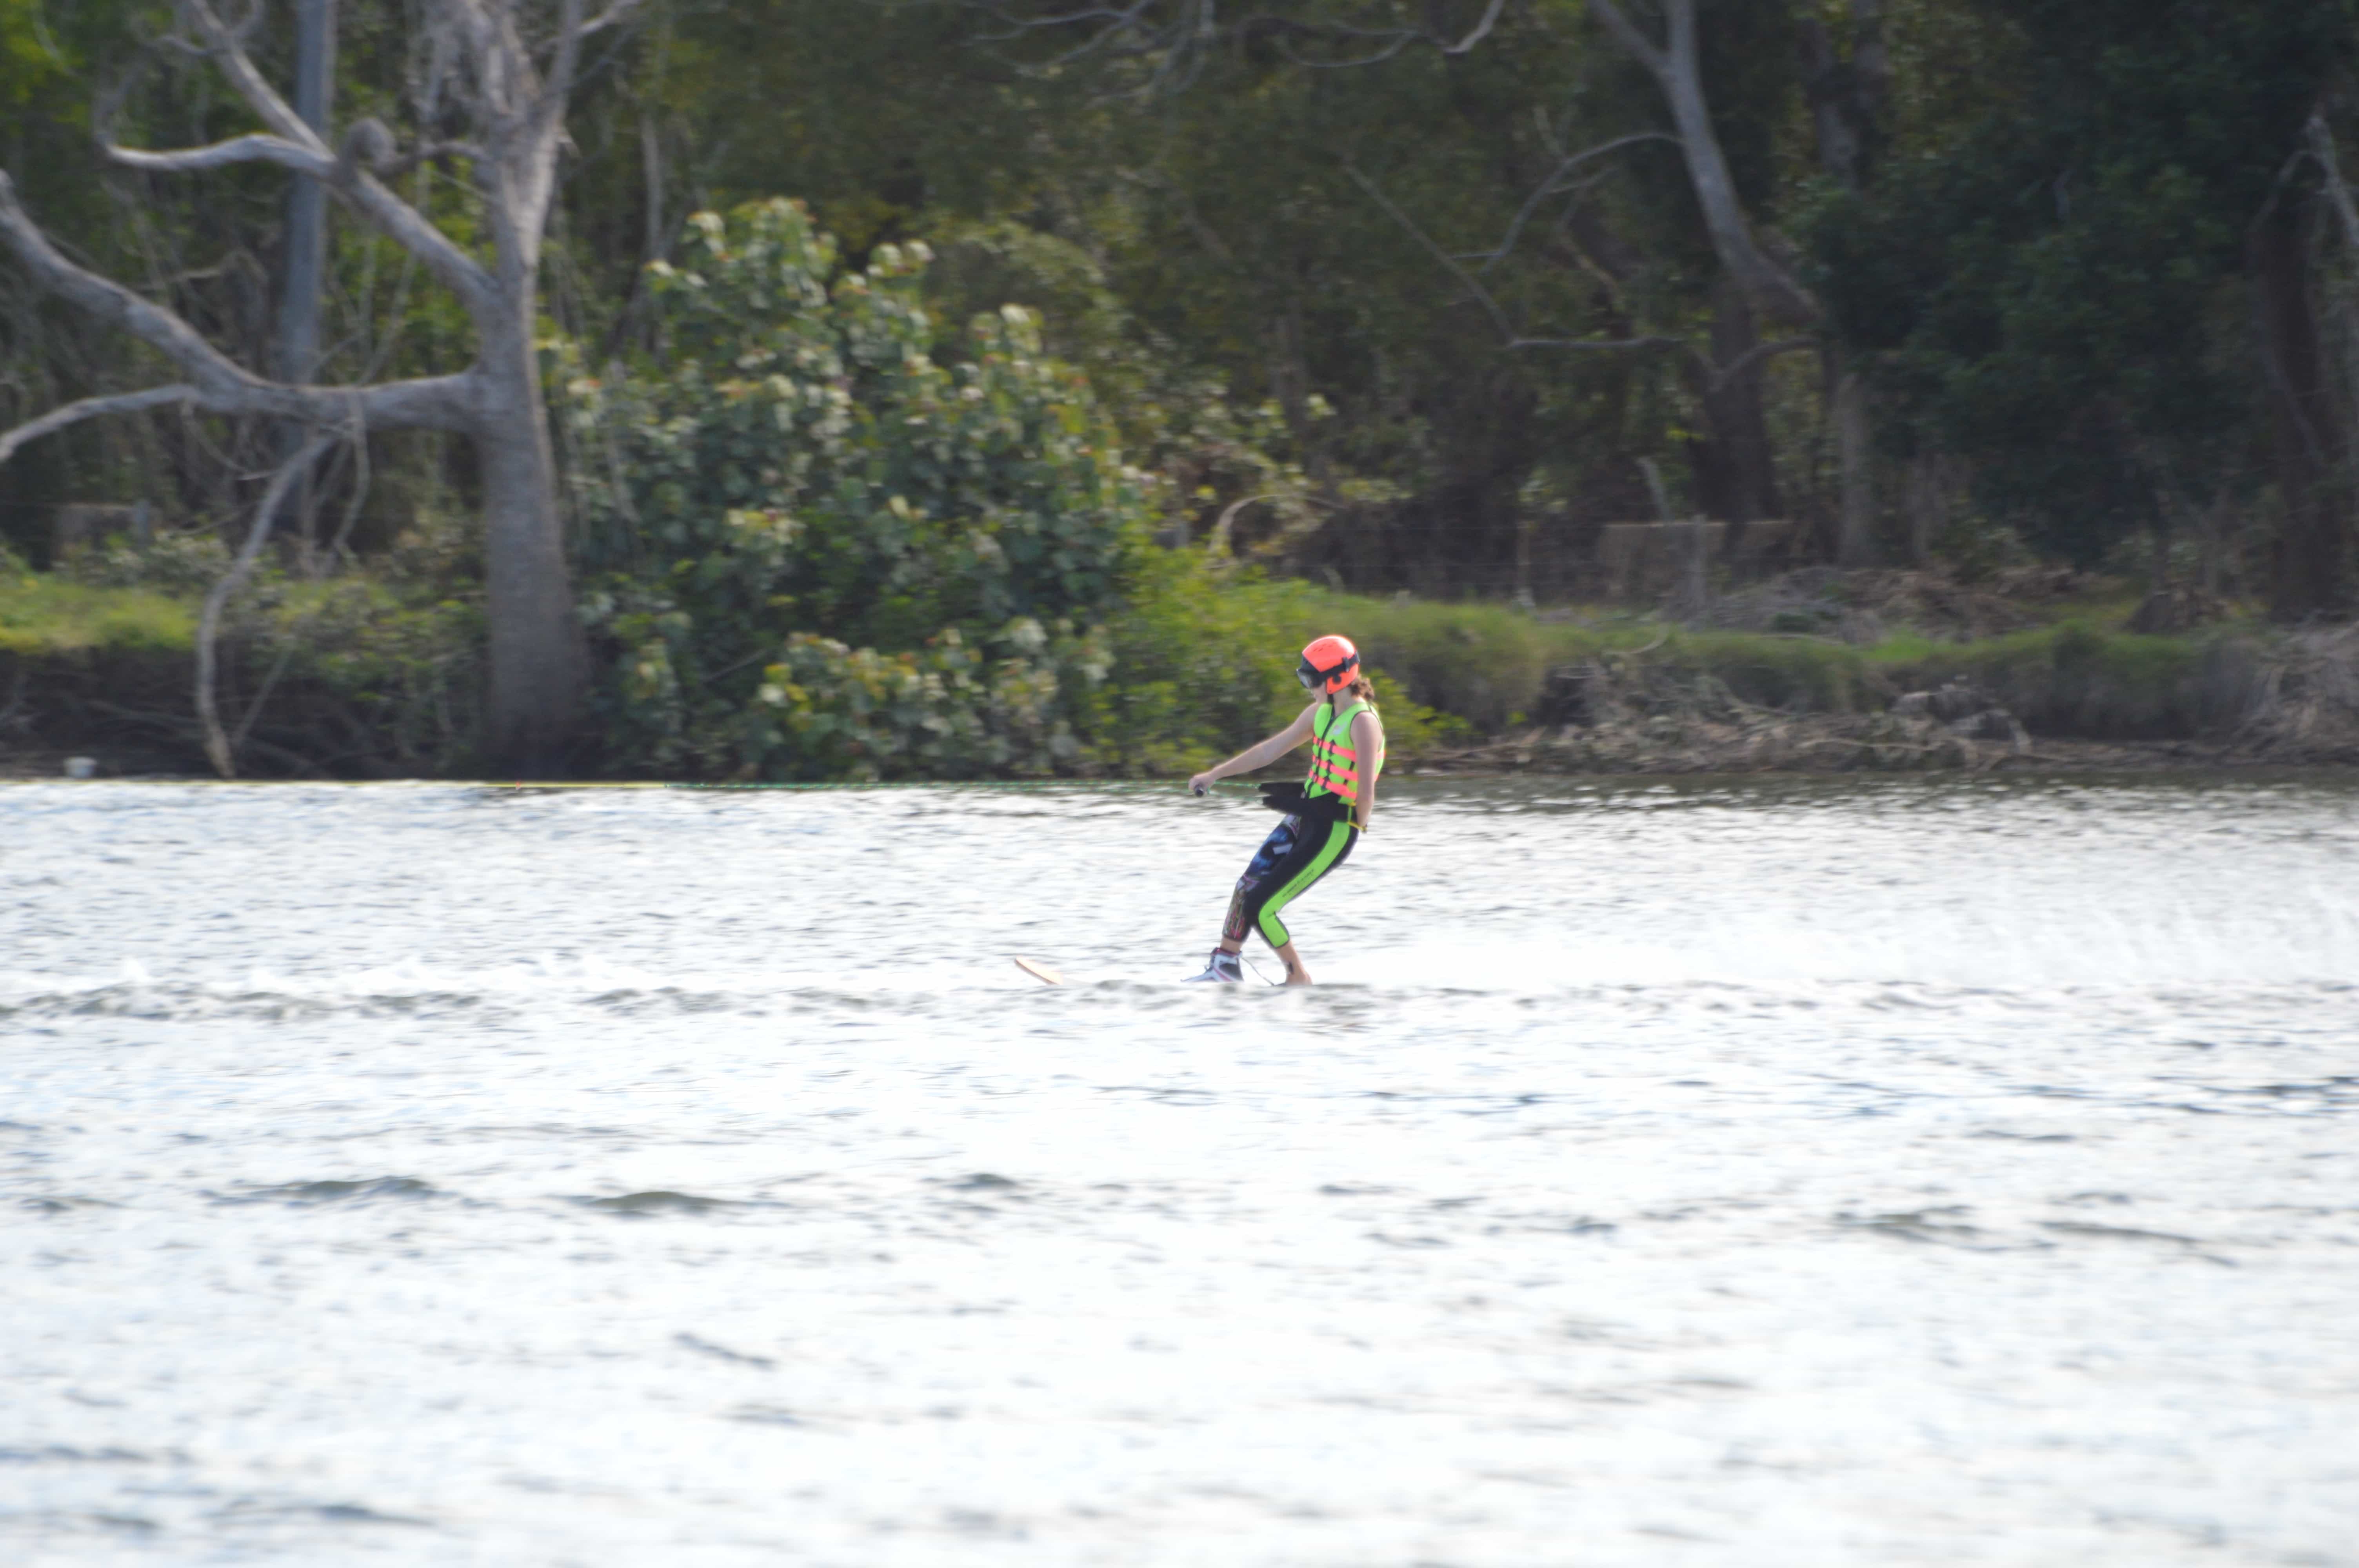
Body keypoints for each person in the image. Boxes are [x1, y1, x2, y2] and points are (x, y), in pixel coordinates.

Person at [1185, 635, 1385, 985]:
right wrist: (1214, 775)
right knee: (1247, 887)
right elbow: (1267, 752)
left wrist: (1354, 824)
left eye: (1311, 680)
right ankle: (1225, 966)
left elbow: (1366, 793)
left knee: (1260, 907)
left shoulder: (1362, 723)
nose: (1308, 687)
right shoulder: (1319, 713)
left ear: (1336, 679)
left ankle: (1298, 977)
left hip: (1334, 830)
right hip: (1306, 816)